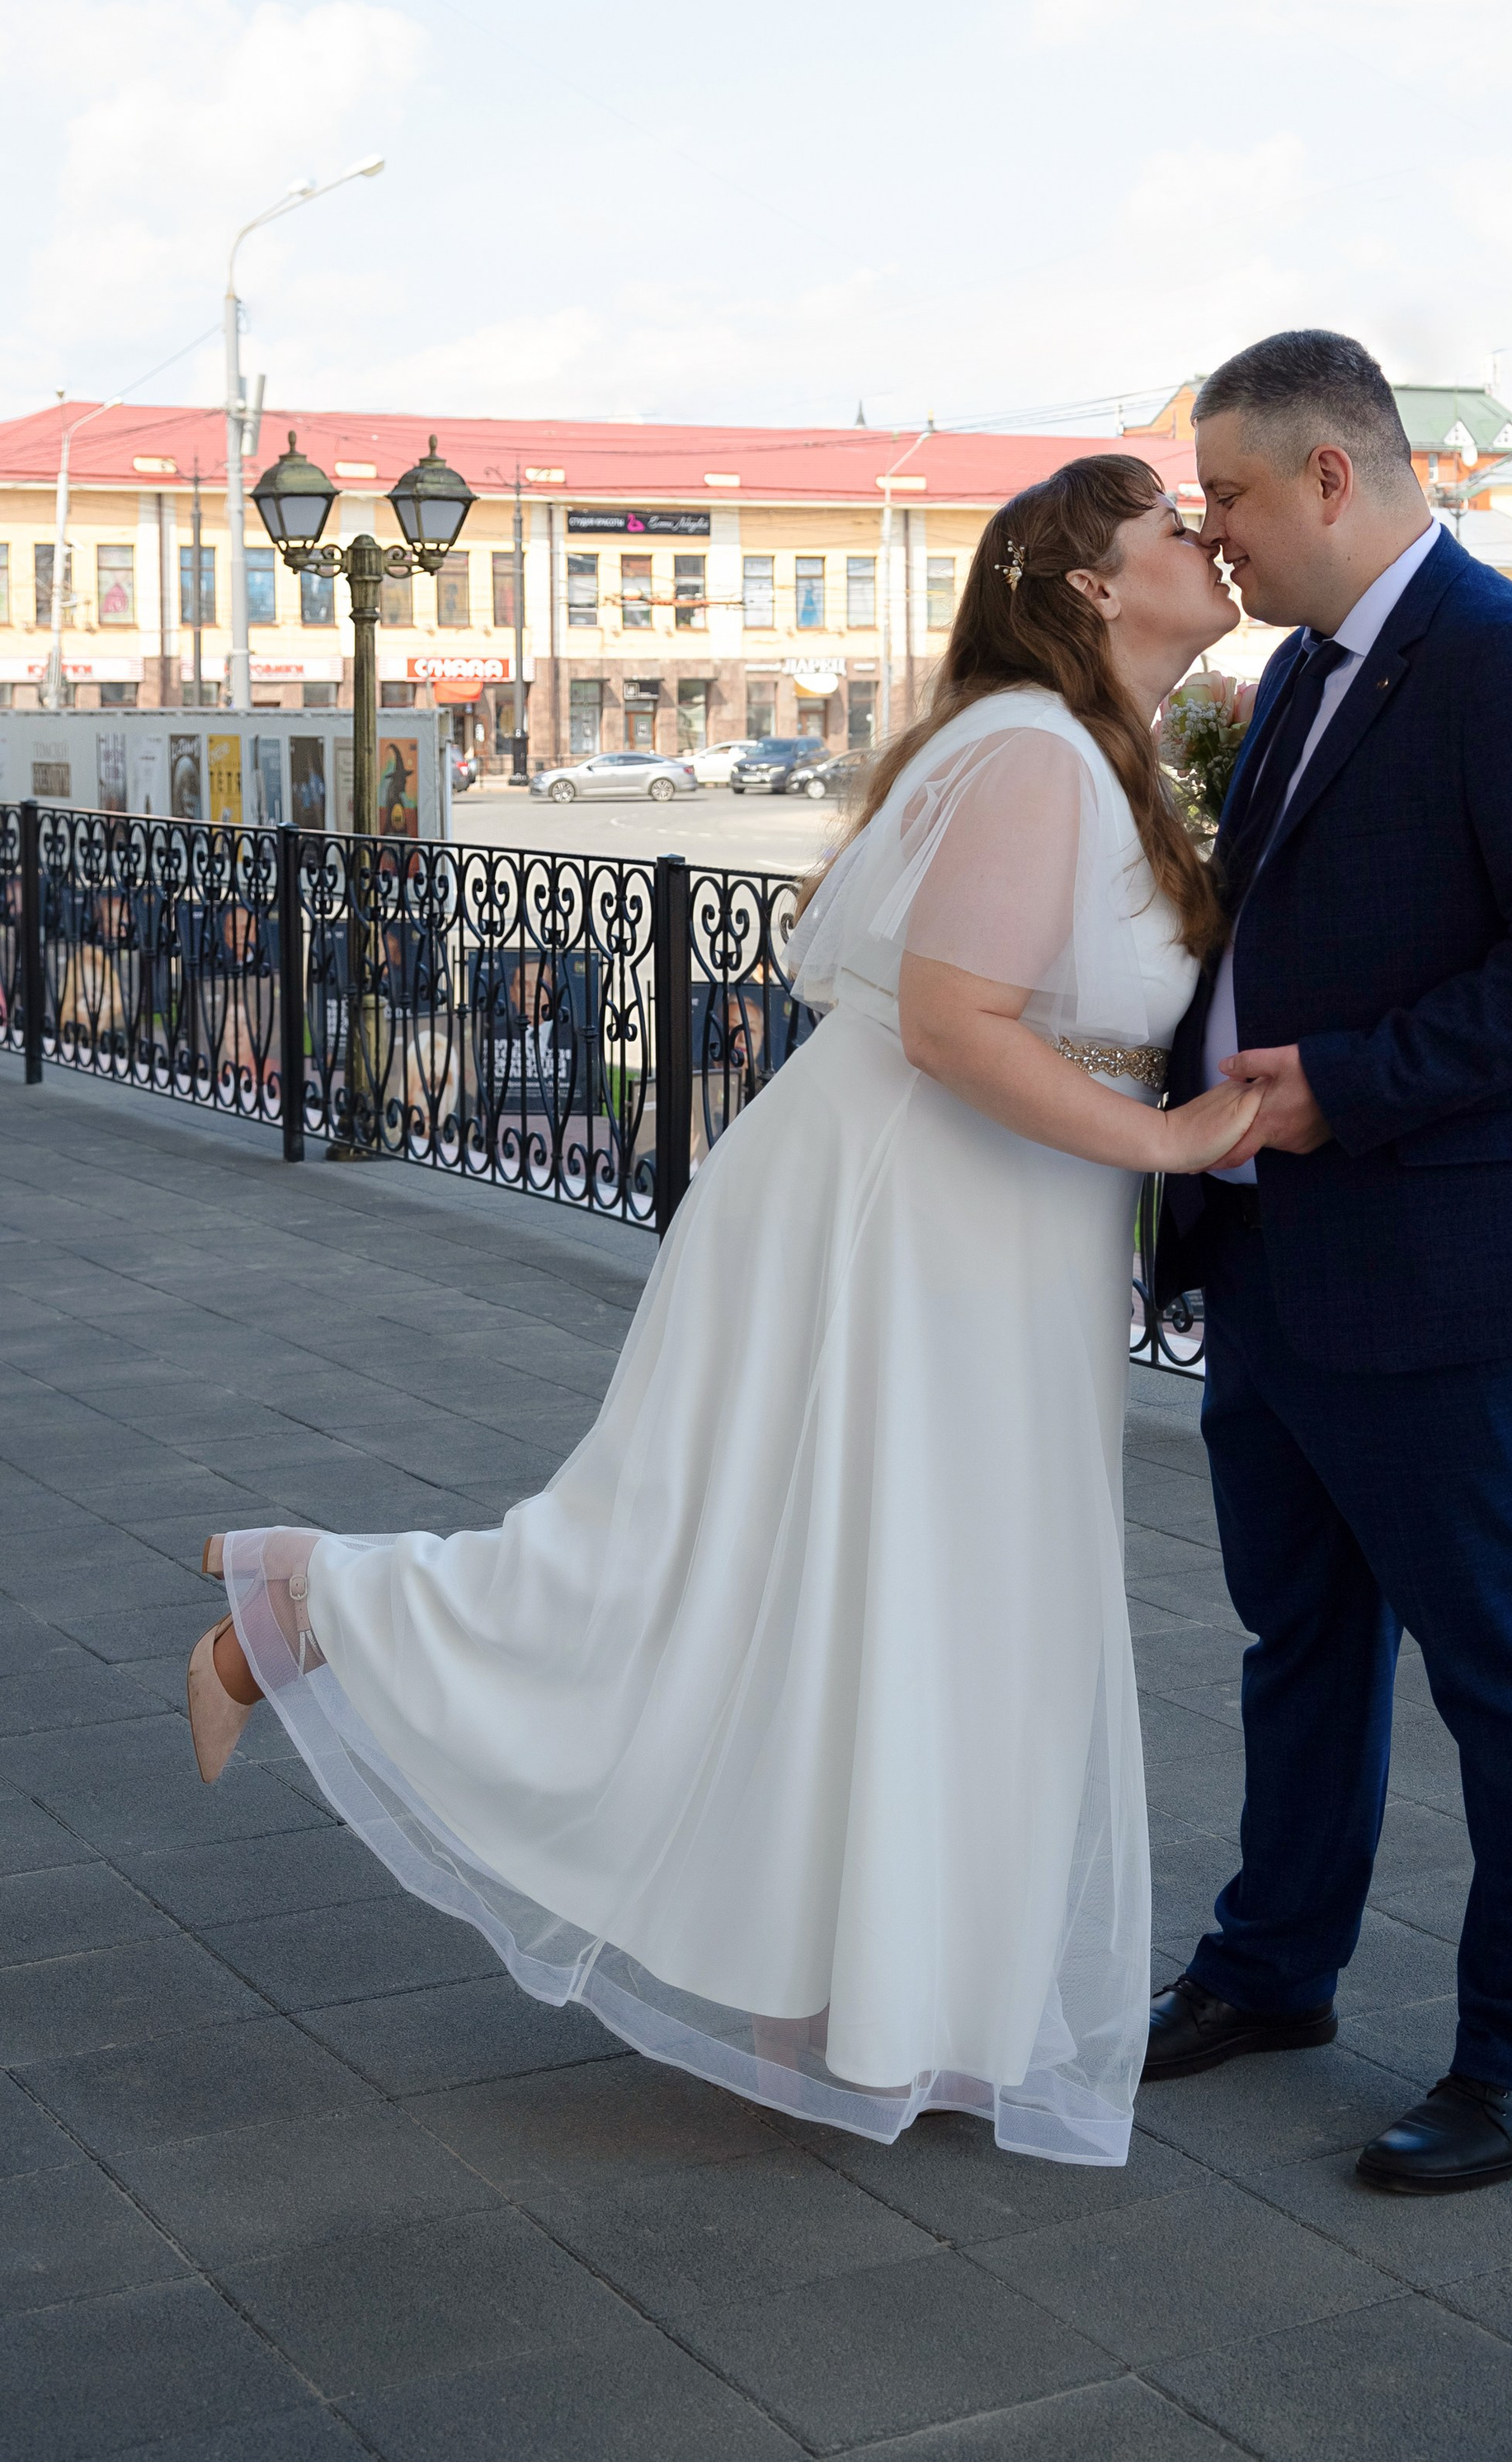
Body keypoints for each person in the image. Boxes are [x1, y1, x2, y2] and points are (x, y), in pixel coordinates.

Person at [186, 457, 1259, 2168]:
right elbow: (952, 1022)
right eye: (1172, 531)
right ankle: (312, 1602)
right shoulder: (1035, 754)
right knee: (751, 1572)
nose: (1207, 545)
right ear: (1088, 584)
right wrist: (1172, 1140)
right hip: (906, 1215)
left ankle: (872, 2002)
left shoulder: (1079, 751)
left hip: (988, 1224)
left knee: (899, 1600)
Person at [1149, 331, 1512, 2195]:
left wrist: (1347, 1087)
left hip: (1440, 1262)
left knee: (1509, 1673)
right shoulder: (1305, 667)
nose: (1209, 530)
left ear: (1329, 476)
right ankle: (1273, 1967)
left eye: (1225, 492)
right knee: (1299, 1640)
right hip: (1270, 1248)